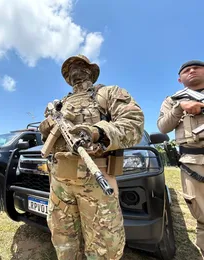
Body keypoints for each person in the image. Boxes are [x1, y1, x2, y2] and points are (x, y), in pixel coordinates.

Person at [39, 54, 144, 259]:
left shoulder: (108, 93)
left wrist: (98, 132)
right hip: (60, 181)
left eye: (79, 66)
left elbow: (134, 124)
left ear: (91, 70)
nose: (74, 71)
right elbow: (49, 141)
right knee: (63, 241)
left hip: (97, 177)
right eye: (69, 70)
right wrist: (46, 128)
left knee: (104, 246)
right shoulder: (60, 104)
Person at [157, 60, 204, 256]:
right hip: (193, 164)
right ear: (180, 79)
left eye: (196, 68)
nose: (191, 71)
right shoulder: (173, 100)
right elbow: (163, 127)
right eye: (186, 70)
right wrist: (180, 108)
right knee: (201, 216)